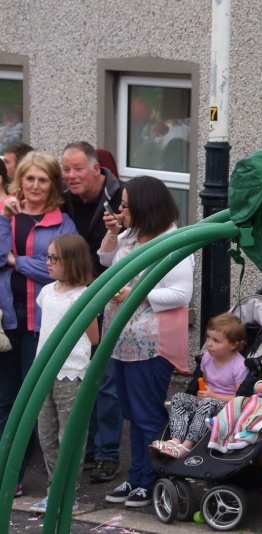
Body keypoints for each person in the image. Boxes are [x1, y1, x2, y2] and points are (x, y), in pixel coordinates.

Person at [99, 175, 194, 508]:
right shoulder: (131, 235)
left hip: (152, 344)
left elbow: (181, 294)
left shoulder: (173, 243)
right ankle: (136, 475)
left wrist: (136, 295)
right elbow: (105, 260)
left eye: (126, 205)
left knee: (147, 414)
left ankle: (151, 478)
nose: (120, 210)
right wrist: (113, 232)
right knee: (131, 412)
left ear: (144, 206)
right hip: (123, 341)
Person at [0, 151, 77, 498]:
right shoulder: (7, 215)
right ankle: (7, 475)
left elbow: (61, 270)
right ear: (20, 180)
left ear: (53, 185)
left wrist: (15, 261)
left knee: (34, 400)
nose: (34, 185)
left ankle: (36, 474)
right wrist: (5, 224)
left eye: (42, 180)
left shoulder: (63, 223)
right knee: (5, 398)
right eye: (29, 178)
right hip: (6, 317)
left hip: (41, 321)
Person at [61, 141, 124, 483]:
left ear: (96, 169)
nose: (70, 176)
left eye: (77, 169)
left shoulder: (120, 197)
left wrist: (120, 228)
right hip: (73, 295)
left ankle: (107, 453)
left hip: (107, 295)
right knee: (76, 375)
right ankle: (84, 450)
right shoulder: (63, 198)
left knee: (105, 379)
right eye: (66, 170)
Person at [29, 234, 100, 513]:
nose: (47, 262)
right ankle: (53, 490)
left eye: (53, 258)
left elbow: (94, 338)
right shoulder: (47, 292)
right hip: (44, 370)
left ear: (71, 261)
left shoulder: (83, 296)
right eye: (47, 256)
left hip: (71, 372)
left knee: (68, 435)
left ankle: (67, 493)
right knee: (46, 434)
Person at [149, 313, 248, 458]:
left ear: (233, 345)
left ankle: (187, 445)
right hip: (207, 401)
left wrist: (212, 395)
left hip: (227, 409)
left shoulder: (239, 366)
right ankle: (175, 440)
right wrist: (203, 394)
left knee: (207, 403)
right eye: (208, 337)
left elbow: (240, 399)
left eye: (216, 340)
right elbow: (206, 382)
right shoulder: (207, 358)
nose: (209, 343)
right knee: (179, 398)